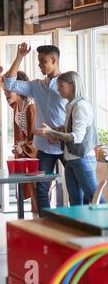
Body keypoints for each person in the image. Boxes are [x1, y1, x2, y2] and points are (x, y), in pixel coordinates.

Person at [4, 43, 67, 214]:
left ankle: (81, 226)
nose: (39, 65)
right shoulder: (36, 86)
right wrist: (19, 56)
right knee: (41, 189)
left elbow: (77, 111)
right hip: (45, 147)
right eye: (38, 61)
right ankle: (48, 224)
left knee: (75, 187)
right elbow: (9, 83)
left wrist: (62, 131)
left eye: (43, 61)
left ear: (54, 60)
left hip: (67, 144)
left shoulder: (67, 83)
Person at [35, 71, 105, 206]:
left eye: (61, 85)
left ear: (72, 86)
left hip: (82, 160)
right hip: (72, 159)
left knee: (95, 199)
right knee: (75, 203)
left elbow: (77, 137)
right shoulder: (72, 105)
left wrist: (52, 133)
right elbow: (72, 130)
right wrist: (59, 132)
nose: (57, 89)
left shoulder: (81, 106)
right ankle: (79, 227)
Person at [0, 67, 39, 218]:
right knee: (25, 188)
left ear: (19, 87)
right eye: (5, 89)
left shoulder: (31, 106)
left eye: (9, 89)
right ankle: (30, 221)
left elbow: (37, 138)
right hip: (23, 154)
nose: (6, 92)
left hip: (33, 155)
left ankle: (38, 221)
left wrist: (24, 149)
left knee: (36, 190)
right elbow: (7, 93)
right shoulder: (17, 104)